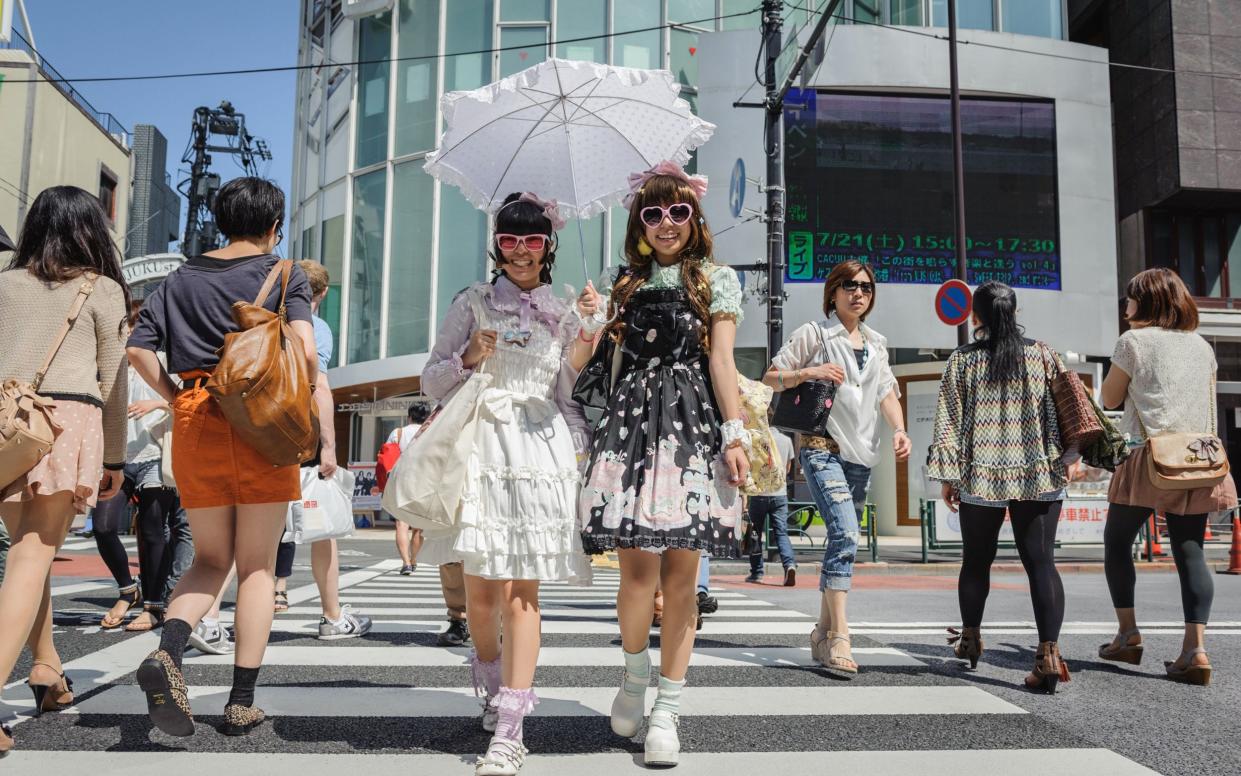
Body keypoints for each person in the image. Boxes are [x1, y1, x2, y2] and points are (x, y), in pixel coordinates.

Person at [126, 177, 318, 737]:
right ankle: (239, 702)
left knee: (210, 559)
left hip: (195, 418)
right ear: (274, 226)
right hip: (262, 424)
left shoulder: (179, 277)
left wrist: (177, 397)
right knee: (257, 565)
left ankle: (169, 652)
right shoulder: (285, 273)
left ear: (219, 220)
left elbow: (138, 349)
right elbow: (304, 352)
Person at [573, 163, 748, 767]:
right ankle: (631, 677)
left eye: (677, 211)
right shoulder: (623, 282)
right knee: (635, 574)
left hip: (693, 427)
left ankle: (667, 709)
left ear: (693, 217)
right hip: (630, 427)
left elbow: (722, 362)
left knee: (682, 576)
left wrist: (735, 435)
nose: (667, 223)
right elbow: (588, 364)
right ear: (639, 224)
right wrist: (591, 319)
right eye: (653, 213)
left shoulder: (716, 280)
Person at [415, 192, 591, 776]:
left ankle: (511, 728)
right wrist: (468, 355)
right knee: (482, 593)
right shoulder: (472, 302)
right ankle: (490, 683)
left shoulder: (564, 313)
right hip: (482, 448)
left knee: (523, 593)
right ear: (497, 244)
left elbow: (567, 397)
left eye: (533, 239)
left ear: (549, 247)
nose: (521, 250)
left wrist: (590, 327)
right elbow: (431, 382)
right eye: (511, 239)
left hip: (539, 453)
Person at [0, 186, 130, 755]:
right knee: (33, 555)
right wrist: (114, 458)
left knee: (30, 557)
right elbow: (115, 380)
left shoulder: (3, 284)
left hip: (6, 424)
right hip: (63, 423)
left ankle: (47, 670)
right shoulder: (101, 289)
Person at [763, 260, 910, 678]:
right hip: (820, 447)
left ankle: (822, 631)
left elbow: (886, 393)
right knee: (846, 532)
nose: (858, 293)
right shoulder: (814, 334)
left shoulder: (877, 344)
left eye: (865, 286)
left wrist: (899, 429)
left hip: (861, 456)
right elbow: (771, 377)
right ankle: (841, 636)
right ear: (833, 293)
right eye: (848, 285)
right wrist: (809, 371)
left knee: (842, 538)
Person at [927, 281, 1071, 694]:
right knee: (1041, 563)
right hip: (1037, 471)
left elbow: (949, 422)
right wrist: (1069, 455)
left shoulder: (962, 361)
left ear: (976, 318)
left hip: (980, 472)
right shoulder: (1043, 354)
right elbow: (1067, 408)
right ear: (1016, 313)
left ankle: (970, 638)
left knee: (976, 561)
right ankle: (1047, 655)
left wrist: (949, 477)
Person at [1097, 268, 1236, 686]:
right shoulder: (1201, 346)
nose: (1126, 306)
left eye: (1131, 298)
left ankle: (1128, 634)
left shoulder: (1133, 342)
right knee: (1190, 551)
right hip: (1197, 457)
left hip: (1149, 455)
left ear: (1147, 302)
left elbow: (1109, 398)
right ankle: (1195, 650)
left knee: (1117, 542)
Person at [272, 260, 371, 640]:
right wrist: (329, 445)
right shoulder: (316, 327)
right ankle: (332, 616)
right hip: (299, 434)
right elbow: (320, 388)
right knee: (322, 532)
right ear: (323, 293)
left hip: (258, 433)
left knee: (251, 530)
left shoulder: (263, 318)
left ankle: (210, 616)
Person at [120, 296, 195, 632]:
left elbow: (185, 399)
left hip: (165, 451)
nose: (131, 332)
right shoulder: (119, 363)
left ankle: (163, 598)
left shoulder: (168, 358)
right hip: (127, 454)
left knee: (171, 527)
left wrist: (160, 401)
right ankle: (142, 593)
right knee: (118, 527)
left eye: (135, 325)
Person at [745, 428, 797, 584]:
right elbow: (787, 468)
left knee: (755, 533)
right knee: (781, 532)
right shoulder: (787, 440)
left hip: (759, 493)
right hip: (780, 493)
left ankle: (757, 573)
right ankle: (789, 565)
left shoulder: (756, 439)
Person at [388, 402, 430, 574]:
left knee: (401, 524)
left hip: (401, 479)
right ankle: (413, 560)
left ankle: (405, 562)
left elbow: (387, 456)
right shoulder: (431, 431)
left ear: (409, 416)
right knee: (419, 526)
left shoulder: (398, 432)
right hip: (424, 480)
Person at [92, 487, 141, 628]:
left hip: (156, 468)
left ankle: (156, 603)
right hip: (115, 467)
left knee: (156, 528)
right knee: (103, 527)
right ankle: (128, 591)